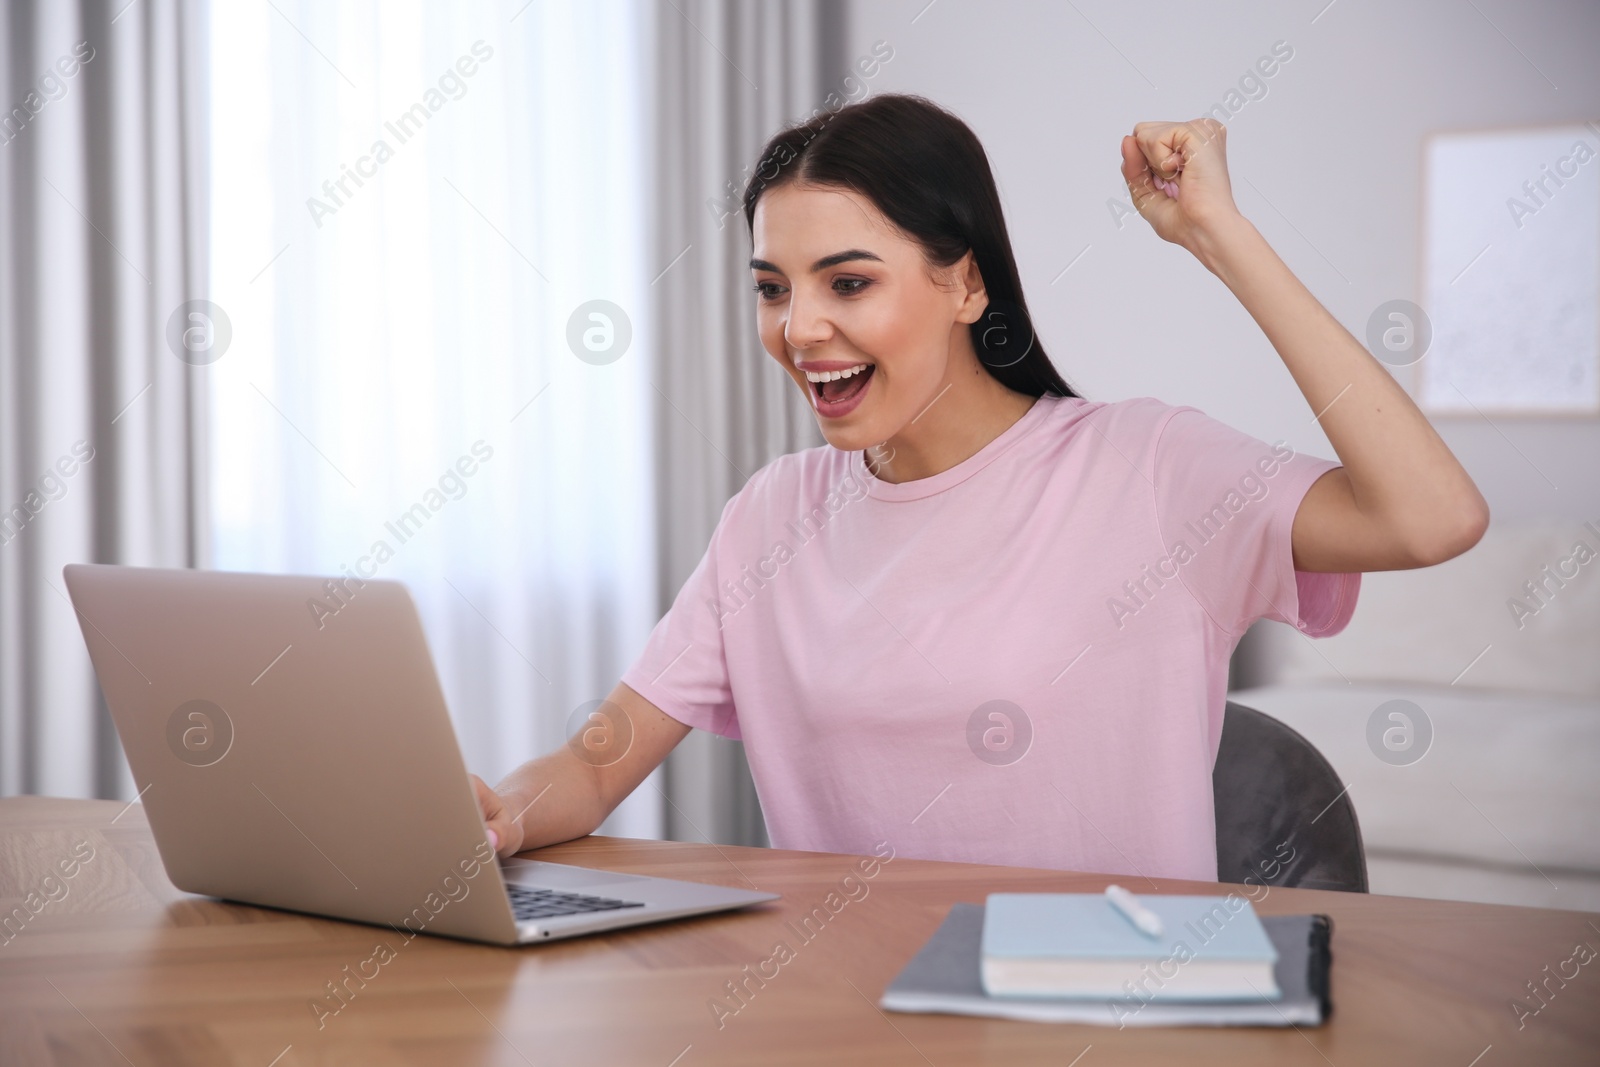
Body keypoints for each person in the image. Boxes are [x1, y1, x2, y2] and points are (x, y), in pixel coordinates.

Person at [471, 93, 1488, 883]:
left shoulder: (1147, 470)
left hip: (1104, 1022)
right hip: (839, 1017)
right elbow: (600, 758)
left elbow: (1433, 516)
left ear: (966, 283)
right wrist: (500, 812)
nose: (799, 328)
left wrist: (1218, 235)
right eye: (771, 287)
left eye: (848, 281)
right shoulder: (770, 517)